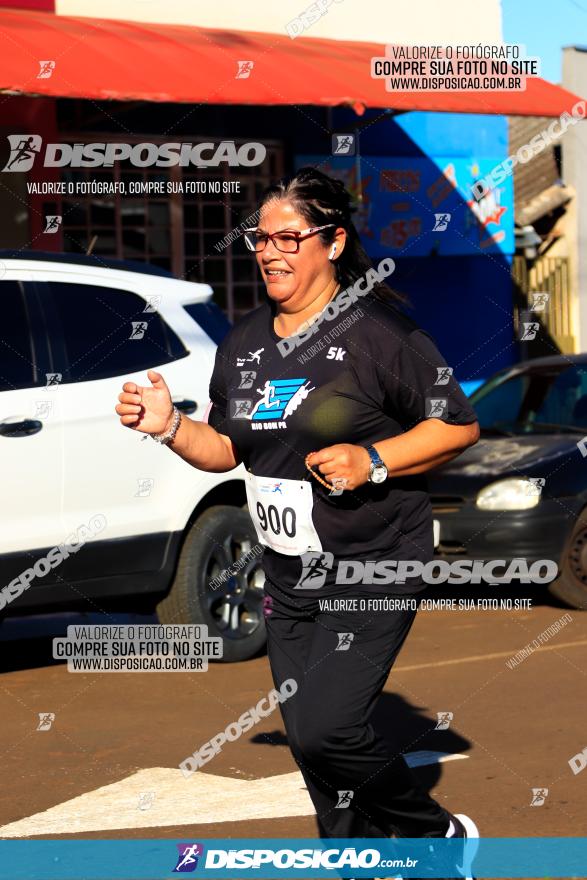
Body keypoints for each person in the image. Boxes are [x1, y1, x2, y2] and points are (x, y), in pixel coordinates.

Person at [115, 167, 481, 878]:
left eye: (289, 236)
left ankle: (436, 836)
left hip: (374, 558)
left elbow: (457, 426)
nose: (270, 250)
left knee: (328, 726)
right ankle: (353, 861)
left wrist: (372, 458)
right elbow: (224, 449)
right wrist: (168, 428)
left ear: (334, 241)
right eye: (261, 237)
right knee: (314, 746)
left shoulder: (378, 333)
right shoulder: (245, 341)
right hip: (287, 573)